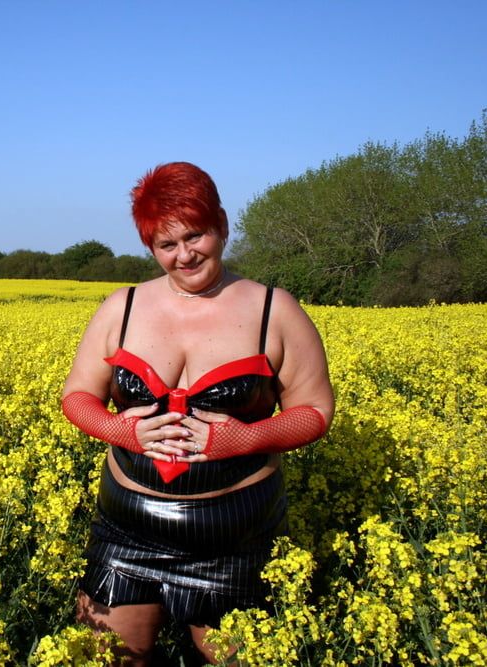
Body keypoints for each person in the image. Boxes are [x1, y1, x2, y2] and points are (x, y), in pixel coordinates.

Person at [61, 162, 334, 665]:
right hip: (127, 532)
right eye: (168, 245)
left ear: (222, 225)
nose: (185, 255)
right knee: (113, 659)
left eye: (196, 235)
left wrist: (243, 440)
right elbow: (76, 397)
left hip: (234, 538)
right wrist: (125, 430)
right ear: (151, 249)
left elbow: (315, 411)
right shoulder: (121, 307)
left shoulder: (276, 310)